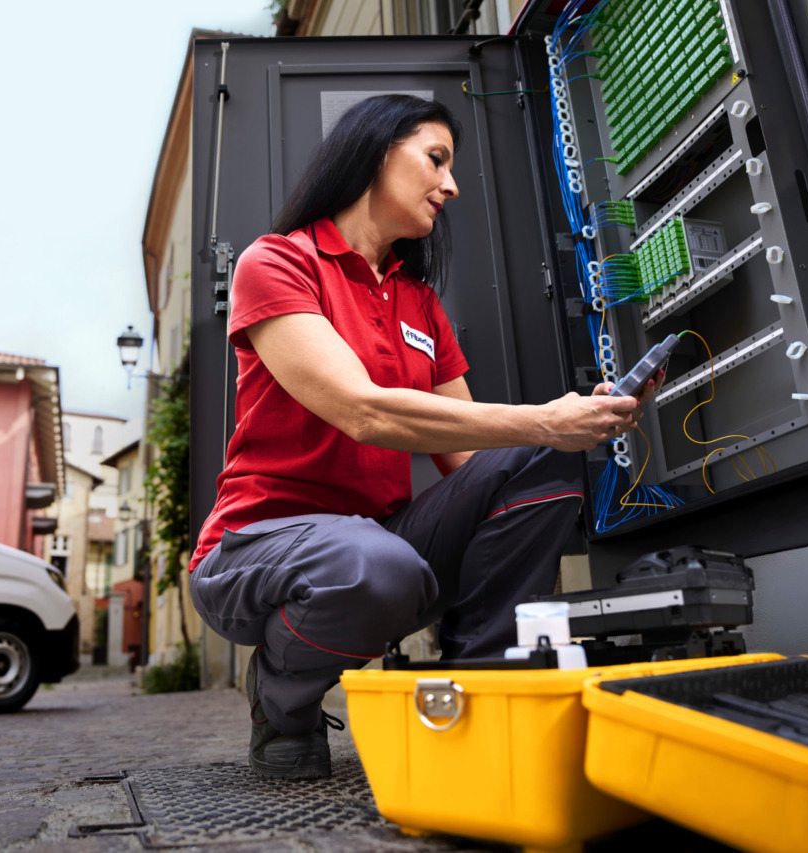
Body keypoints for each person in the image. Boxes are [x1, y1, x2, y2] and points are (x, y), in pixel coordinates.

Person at [189, 94, 657, 780]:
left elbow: (473, 463)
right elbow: (363, 411)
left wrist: (565, 430)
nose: (452, 184)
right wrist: (543, 419)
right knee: (379, 564)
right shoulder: (278, 262)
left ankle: (483, 685)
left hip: (376, 542)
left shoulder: (419, 303)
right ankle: (282, 696)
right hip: (257, 549)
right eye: (435, 159)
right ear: (378, 151)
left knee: (535, 465)